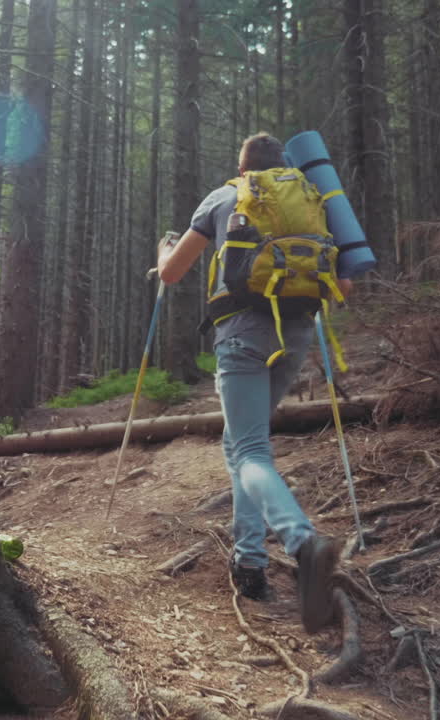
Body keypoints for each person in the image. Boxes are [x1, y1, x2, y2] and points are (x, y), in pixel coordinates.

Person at [157, 132, 353, 634]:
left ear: (241, 167)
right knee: (248, 445)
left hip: (242, 333)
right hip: (297, 332)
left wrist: (162, 251)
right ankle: (249, 564)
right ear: (282, 166)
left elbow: (173, 272)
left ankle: (301, 541)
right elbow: (344, 285)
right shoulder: (310, 200)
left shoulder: (225, 196)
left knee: (248, 452)